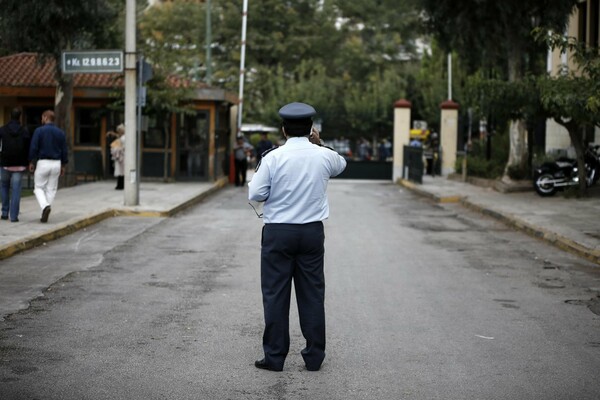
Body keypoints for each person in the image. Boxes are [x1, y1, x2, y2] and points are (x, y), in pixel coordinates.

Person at [248, 102, 347, 372]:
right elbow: (341, 164)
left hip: (278, 233)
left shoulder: (272, 157)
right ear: (311, 129)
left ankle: (275, 357)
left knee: (275, 294)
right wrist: (319, 142)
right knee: (312, 294)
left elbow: (255, 194)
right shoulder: (323, 155)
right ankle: (314, 357)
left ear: (283, 129)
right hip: (311, 233)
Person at [28, 110, 68, 223]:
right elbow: (64, 150)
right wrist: (63, 164)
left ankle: (45, 206)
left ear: (45, 118)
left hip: (43, 162)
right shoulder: (60, 132)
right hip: (56, 163)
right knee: (51, 189)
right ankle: (46, 209)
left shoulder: (39, 131)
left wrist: (32, 161)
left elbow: (34, 147)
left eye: (42, 117)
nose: (41, 120)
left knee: (38, 188)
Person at [0, 108, 30, 222]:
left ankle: (4, 212)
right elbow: (28, 147)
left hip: (5, 163)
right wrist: (29, 161)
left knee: (4, 187)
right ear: (20, 117)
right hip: (19, 164)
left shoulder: (2, 130)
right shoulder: (24, 131)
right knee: (16, 190)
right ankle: (14, 216)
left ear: (10, 116)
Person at [107, 124, 125, 190]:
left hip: (121, 156)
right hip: (120, 155)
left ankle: (120, 185)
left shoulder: (123, 138)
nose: (118, 132)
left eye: (119, 131)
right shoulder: (121, 137)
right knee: (121, 171)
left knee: (121, 171)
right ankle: (120, 184)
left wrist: (116, 148)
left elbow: (122, 146)